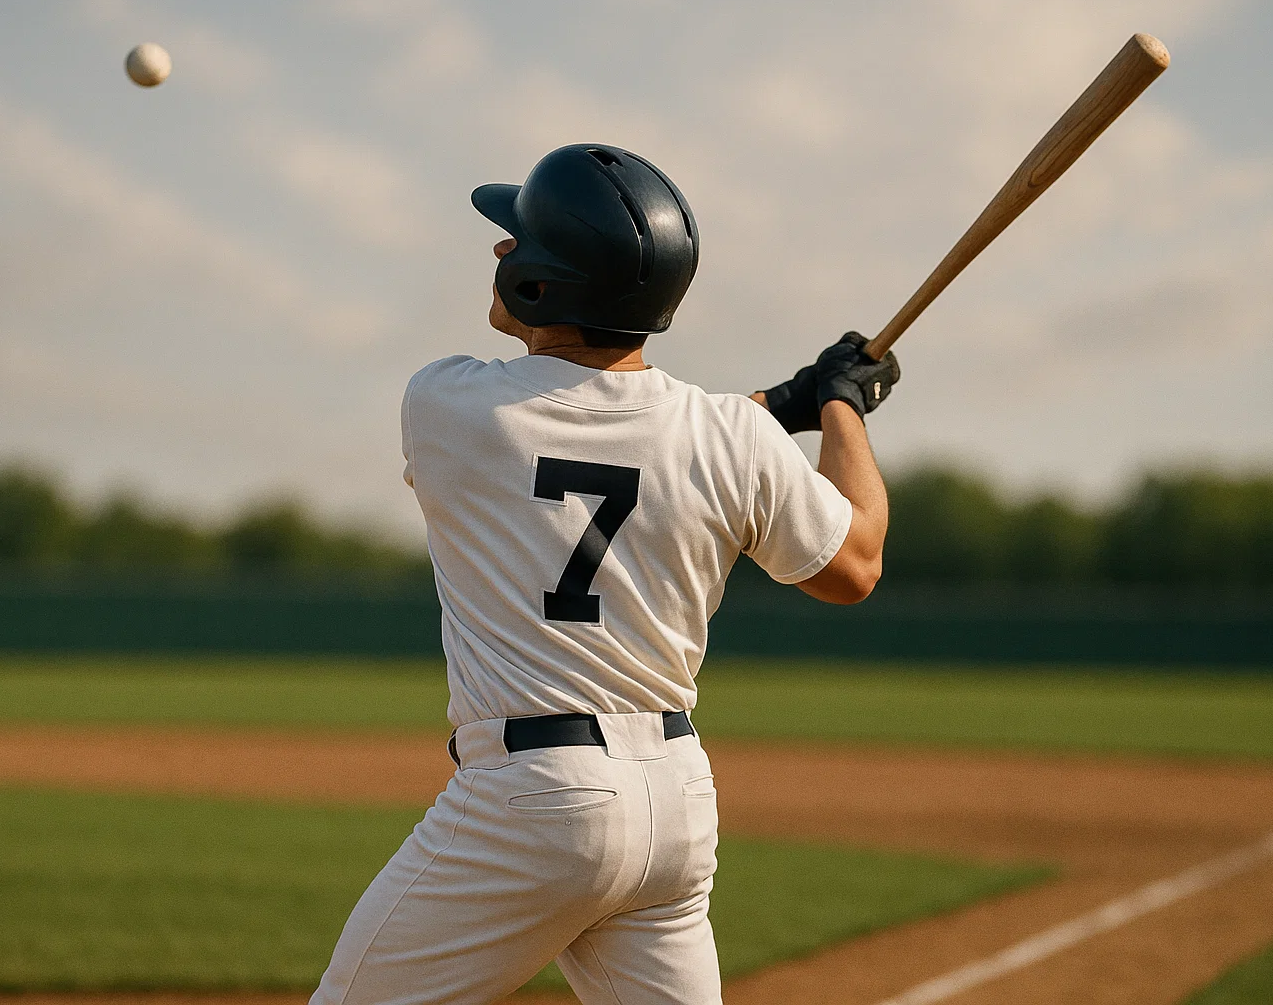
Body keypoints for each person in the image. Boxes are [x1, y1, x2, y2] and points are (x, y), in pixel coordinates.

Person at [311, 143, 898, 1005]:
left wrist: (784, 404)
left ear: (545, 285)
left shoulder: (446, 404)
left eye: (519, 240)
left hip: (532, 802)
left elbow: (602, 430)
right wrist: (839, 404)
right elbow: (854, 562)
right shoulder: (727, 436)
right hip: (674, 805)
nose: (504, 250)